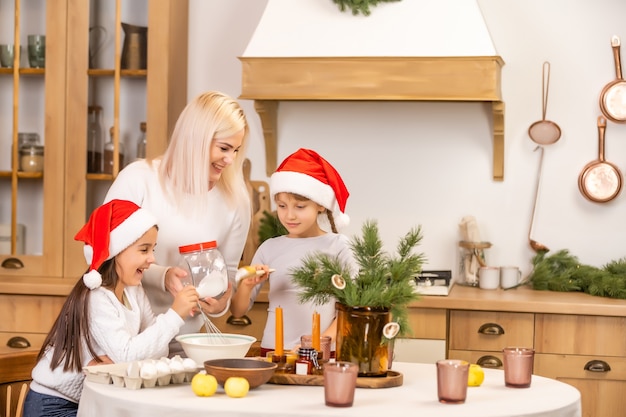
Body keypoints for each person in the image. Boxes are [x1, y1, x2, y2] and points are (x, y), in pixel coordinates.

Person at [103, 91, 251, 355]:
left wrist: (220, 303)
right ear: (196, 140)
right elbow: (103, 259)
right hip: (123, 345)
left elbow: (226, 279)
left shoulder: (235, 200)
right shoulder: (139, 181)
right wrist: (164, 276)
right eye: (224, 148)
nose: (230, 160)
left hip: (185, 347)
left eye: (236, 150)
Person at [23, 199, 198, 417]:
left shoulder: (133, 290)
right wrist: (174, 316)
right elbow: (130, 355)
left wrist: (121, 360)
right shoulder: (96, 297)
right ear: (116, 251)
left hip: (90, 401)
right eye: (144, 250)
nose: (152, 259)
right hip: (53, 405)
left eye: (153, 249)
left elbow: (157, 350)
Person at [231, 148, 356, 355]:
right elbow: (237, 311)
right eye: (282, 205)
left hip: (323, 351)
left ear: (321, 206)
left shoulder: (339, 247)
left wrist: (317, 343)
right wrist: (246, 286)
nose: (289, 215)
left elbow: (351, 310)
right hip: (274, 352)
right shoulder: (269, 248)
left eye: (300, 206)